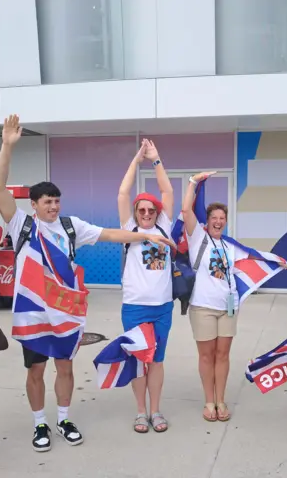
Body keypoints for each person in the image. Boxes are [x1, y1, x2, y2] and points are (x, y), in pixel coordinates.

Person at [0, 115, 174, 452]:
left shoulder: (71, 226)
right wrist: (6, 146)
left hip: (65, 315)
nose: (52, 206)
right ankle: (39, 425)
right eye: (46, 202)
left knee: (65, 368)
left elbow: (110, 233)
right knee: (35, 371)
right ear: (33, 205)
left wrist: (146, 236)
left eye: (56, 201)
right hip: (33, 315)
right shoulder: (22, 225)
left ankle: (62, 419)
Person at [182, 171, 287, 422]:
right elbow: (186, 210)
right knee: (206, 355)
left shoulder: (230, 245)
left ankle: (221, 400)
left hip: (228, 308)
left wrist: (279, 262)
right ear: (207, 221)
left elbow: (255, 256)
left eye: (222, 218)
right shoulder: (198, 238)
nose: (219, 221)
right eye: (214, 217)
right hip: (202, 307)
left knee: (223, 355)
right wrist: (193, 182)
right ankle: (208, 401)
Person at [117, 139, 175, 434]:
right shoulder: (129, 230)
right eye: (142, 210)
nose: (147, 214)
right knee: (139, 361)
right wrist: (136, 160)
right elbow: (123, 192)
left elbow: (167, 191)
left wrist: (155, 159)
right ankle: (141, 412)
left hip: (163, 306)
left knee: (158, 361)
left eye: (151, 210)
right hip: (135, 306)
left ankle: (156, 410)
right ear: (136, 212)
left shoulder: (164, 226)